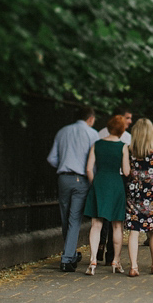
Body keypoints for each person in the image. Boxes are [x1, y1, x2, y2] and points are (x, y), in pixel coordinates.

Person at [47, 106, 100, 272]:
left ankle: (70, 252)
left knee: (65, 217)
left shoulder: (63, 131)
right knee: (74, 218)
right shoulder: (92, 134)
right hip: (81, 178)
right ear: (90, 118)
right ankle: (67, 258)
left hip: (63, 177)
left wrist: (64, 164)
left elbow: (51, 158)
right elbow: (94, 161)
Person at [84, 114, 131, 274]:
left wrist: (95, 183)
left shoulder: (96, 144)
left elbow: (89, 168)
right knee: (117, 225)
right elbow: (126, 172)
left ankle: (93, 260)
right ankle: (115, 261)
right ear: (122, 129)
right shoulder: (123, 146)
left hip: (100, 183)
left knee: (96, 225)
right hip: (115, 185)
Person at [125, 118, 153, 276]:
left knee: (134, 231)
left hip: (135, 194)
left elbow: (127, 171)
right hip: (152, 195)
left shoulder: (129, 150)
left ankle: (134, 266)